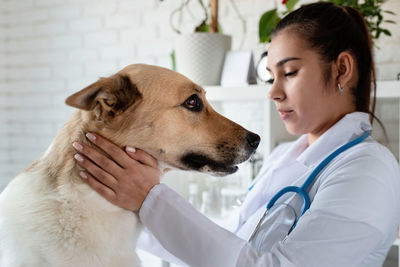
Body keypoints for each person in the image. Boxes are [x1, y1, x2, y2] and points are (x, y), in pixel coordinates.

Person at [72, 2, 400, 266]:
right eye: (270, 76)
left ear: (342, 69)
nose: (273, 92)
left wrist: (150, 198)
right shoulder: (285, 157)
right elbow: (222, 244)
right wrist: (130, 200)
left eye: (289, 73)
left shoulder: (369, 169)